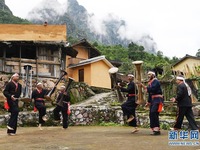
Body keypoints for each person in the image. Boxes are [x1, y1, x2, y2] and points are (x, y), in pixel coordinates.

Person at [140, 71, 163, 135]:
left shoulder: (156, 81)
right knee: (151, 114)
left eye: (150, 74)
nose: (148, 75)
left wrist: (144, 87)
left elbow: (152, 89)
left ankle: (157, 129)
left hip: (158, 99)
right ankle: (155, 129)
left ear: (153, 75)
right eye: (148, 74)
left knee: (154, 112)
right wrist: (149, 102)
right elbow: (150, 94)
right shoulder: (151, 82)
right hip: (153, 100)